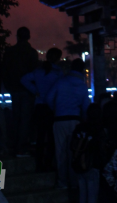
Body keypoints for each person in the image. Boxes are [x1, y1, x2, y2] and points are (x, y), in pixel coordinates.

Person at [47, 57, 90, 188]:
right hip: (75, 121)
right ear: (82, 70)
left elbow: (49, 98)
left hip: (60, 119)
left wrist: (56, 109)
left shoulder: (61, 82)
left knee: (60, 152)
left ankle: (62, 182)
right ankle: (74, 182)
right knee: (74, 152)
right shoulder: (82, 86)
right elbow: (86, 107)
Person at [21, 47, 63, 171]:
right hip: (51, 107)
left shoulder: (38, 71)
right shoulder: (58, 73)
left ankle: (39, 163)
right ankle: (48, 163)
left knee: (40, 136)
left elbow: (23, 80)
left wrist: (35, 91)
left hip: (39, 106)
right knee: (51, 137)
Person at [2, 26, 39, 156]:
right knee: (25, 118)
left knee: (16, 116)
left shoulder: (10, 52)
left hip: (14, 88)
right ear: (28, 37)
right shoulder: (32, 53)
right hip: (28, 90)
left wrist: (8, 85)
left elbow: (5, 70)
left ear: (17, 36)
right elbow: (35, 73)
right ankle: (22, 145)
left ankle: (14, 143)